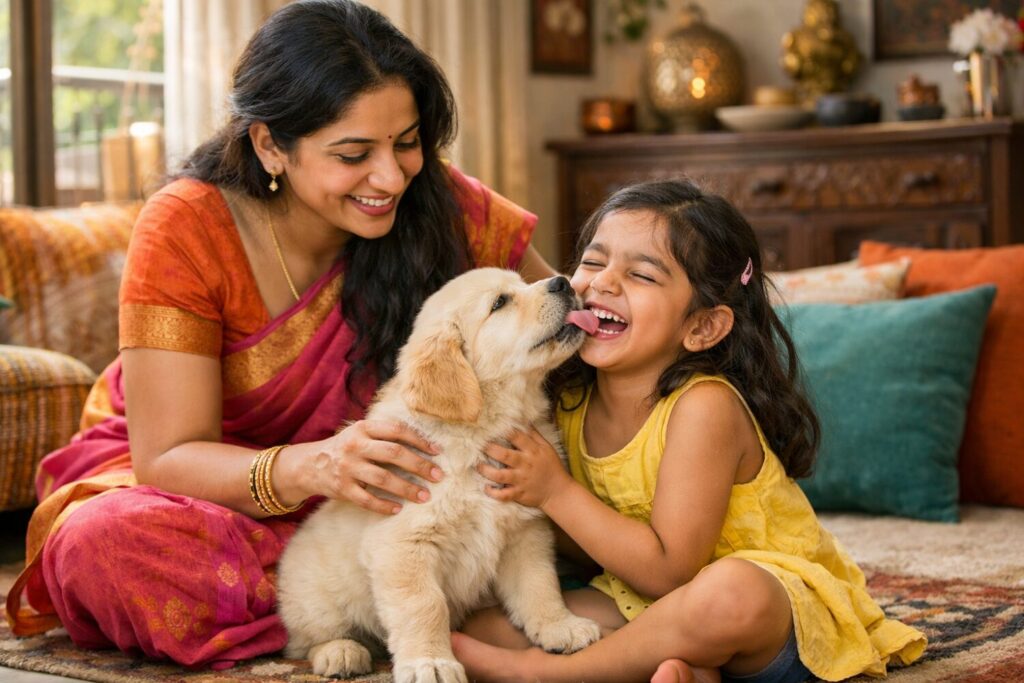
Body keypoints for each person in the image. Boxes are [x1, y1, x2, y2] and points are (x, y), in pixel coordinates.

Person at [5, 0, 554, 668]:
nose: (391, 177)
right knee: (106, 546)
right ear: (270, 145)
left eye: (407, 142)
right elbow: (170, 454)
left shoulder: (440, 203)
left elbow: (565, 315)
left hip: (393, 509)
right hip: (212, 495)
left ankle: (421, 597)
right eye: (353, 154)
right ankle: (405, 607)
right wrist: (320, 464)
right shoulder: (186, 228)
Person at [451, 179, 927, 683]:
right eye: (593, 262)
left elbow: (669, 570)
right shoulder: (567, 399)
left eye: (641, 274)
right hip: (644, 602)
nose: (602, 283)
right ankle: (686, 670)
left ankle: (548, 675)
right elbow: (598, 554)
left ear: (701, 327)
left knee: (729, 592)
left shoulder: (705, 406)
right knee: (484, 623)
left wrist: (553, 490)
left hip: (773, 617)